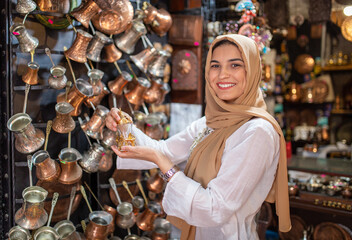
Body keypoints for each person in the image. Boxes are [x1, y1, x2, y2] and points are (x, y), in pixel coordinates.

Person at [106, 34, 291, 240]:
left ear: (253, 70)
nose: (222, 75)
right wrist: (124, 128)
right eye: (215, 65)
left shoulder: (257, 132)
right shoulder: (212, 121)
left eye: (235, 65)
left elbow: (216, 208)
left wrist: (164, 166)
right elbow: (165, 150)